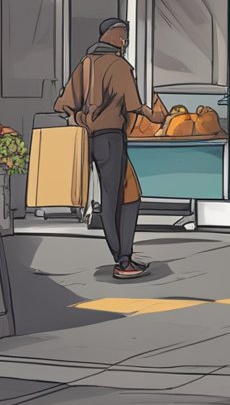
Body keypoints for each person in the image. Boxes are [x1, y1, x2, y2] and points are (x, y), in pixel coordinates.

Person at [55, 18, 166, 280]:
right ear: (112, 36)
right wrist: (157, 117)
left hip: (89, 139)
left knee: (118, 195)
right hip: (111, 138)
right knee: (121, 198)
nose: (125, 41)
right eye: (123, 36)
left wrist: (81, 119)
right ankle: (123, 261)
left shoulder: (86, 64)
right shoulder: (119, 65)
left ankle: (122, 255)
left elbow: (64, 105)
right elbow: (135, 106)